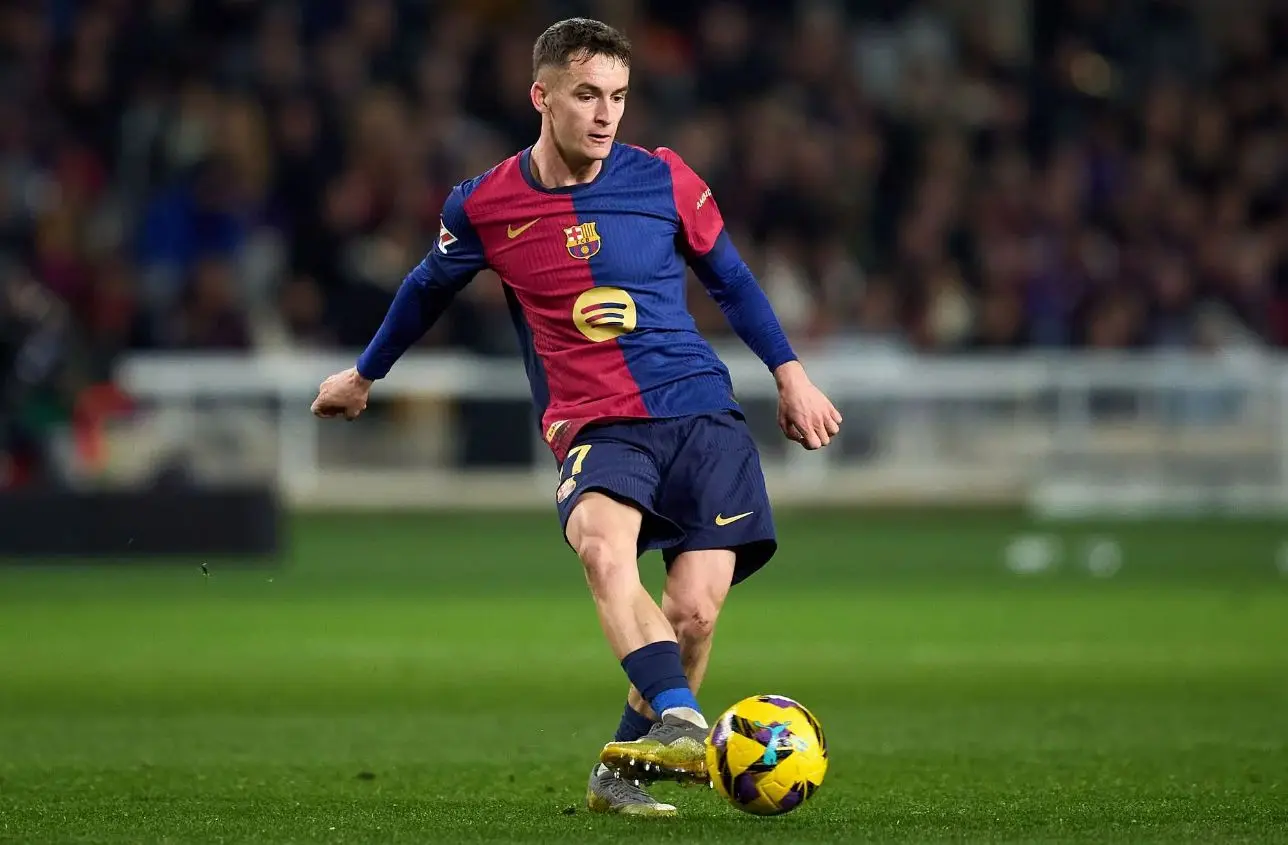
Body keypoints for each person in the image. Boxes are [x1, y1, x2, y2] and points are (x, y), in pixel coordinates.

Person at [310, 18, 841, 817]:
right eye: (588, 94)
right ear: (542, 96)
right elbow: (425, 288)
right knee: (602, 545)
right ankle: (682, 719)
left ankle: (620, 774)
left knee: (693, 613)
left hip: (698, 408)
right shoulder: (486, 204)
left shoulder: (664, 179)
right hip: (596, 422)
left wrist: (791, 376)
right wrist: (363, 374)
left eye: (618, 97)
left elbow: (730, 279)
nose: (605, 114)